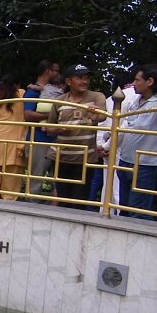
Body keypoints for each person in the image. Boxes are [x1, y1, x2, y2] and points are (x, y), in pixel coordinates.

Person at [113, 64, 157, 218]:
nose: (133, 83)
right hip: (126, 160)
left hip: (145, 164)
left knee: (138, 211)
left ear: (150, 81)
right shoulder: (135, 100)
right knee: (124, 208)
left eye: (137, 80)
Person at [44, 64, 107, 209]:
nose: (84, 81)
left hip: (84, 158)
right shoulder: (59, 100)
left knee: (79, 201)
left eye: (86, 78)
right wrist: (59, 129)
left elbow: (103, 117)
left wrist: (95, 114)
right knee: (63, 199)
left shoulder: (97, 97)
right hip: (60, 156)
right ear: (68, 81)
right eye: (80, 78)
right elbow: (49, 127)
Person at [22, 59, 63, 200]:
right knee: (36, 178)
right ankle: (31, 208)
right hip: (39, 139)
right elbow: (27, 114)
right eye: (56, 70)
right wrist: (51, 115)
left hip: (56, 139)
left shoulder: (57, 91)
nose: (58, 74)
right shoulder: (32, 92)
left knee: (58, 179)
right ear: (48, 71)